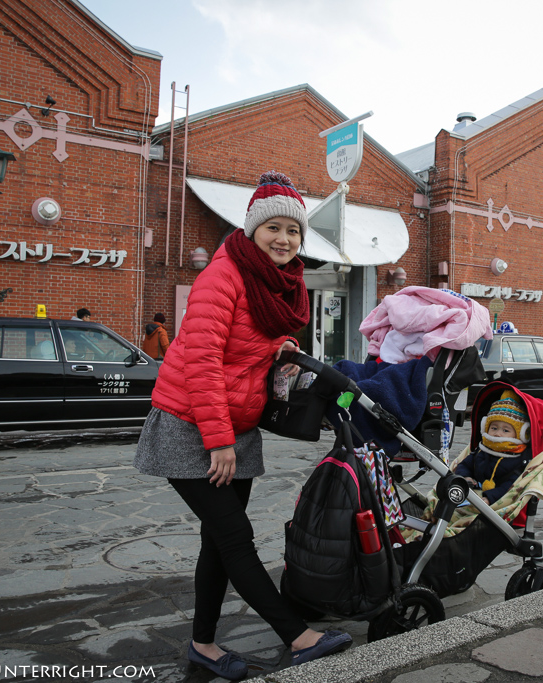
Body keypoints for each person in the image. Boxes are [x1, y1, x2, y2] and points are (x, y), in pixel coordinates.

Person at [133, 171, 351, 679]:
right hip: (193, 426)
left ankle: (204, 646)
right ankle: (298, 637)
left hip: (236, 426)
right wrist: (219, 440)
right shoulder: (223, 275)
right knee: (235, 538)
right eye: (273, 227)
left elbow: (241, 345)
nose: (284, 239)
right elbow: (202, 361)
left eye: (293, 231)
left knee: (218, 542)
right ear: (252, 229)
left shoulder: (277, 282)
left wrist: (277, 349)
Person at [454, 389, 532, 505]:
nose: (498, 434)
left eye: (506, 430)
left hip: (496, 501)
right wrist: (466, 477)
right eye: (494, 428)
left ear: (521, 434)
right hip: (473, 494)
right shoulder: (482, 449)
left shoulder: (518, 458)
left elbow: (511, 485)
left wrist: (490, 497)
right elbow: (465, 464)